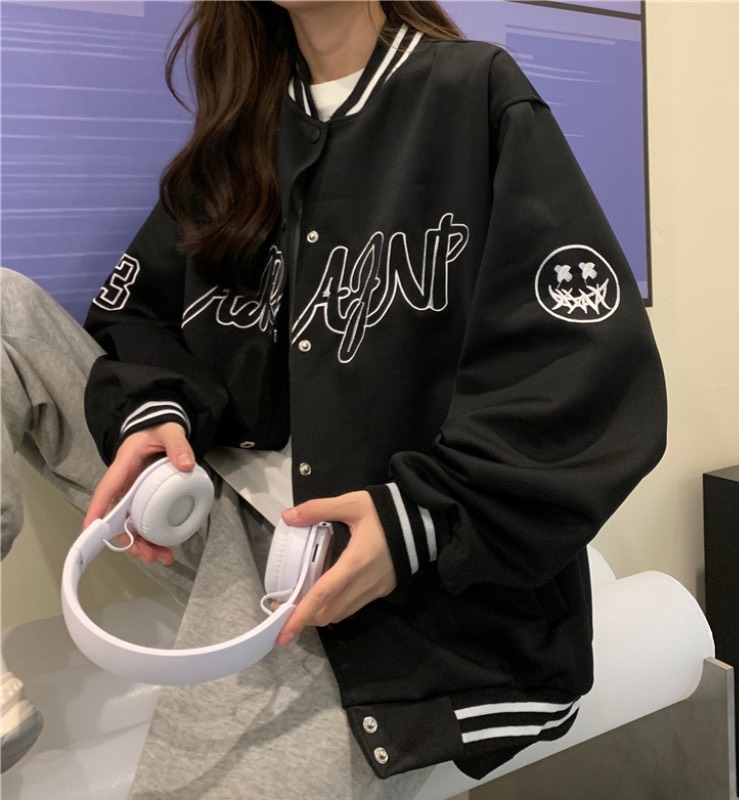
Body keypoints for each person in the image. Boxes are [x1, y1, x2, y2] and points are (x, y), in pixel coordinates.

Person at [0, 0, 667, 796]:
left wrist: (420, 517)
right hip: (211, 505)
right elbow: (139, 314)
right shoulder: (241, 133)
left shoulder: (472, 92)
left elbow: (584, 362)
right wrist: (156, 411)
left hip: (370, 555)